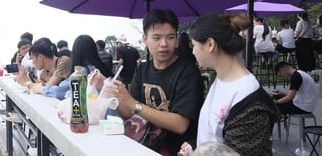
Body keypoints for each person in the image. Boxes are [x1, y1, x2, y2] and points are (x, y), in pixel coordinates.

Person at [106, 9, 204, 155]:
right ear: (145, 39)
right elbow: (129, 114)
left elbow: (180, 125)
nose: (164, 44)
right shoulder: (142, 69)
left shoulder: (187, 71)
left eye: (170, 37)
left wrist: (134, 104)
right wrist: (118, 97)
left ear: (176, 39)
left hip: (177, 149)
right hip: (143, 144)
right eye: (157, 38)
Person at [179, 13, 279, 156]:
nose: (193, 51)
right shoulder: (218, 78)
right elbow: (216, 134)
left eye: (194, 45)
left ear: (210, 44)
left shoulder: (250, 100)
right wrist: (194, 145)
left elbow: (235, 152)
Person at [40, 35, 113, 99]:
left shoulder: (82, 71)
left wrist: (42, 89)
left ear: (75, 52)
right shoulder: (99, 68)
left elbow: (60, 92)